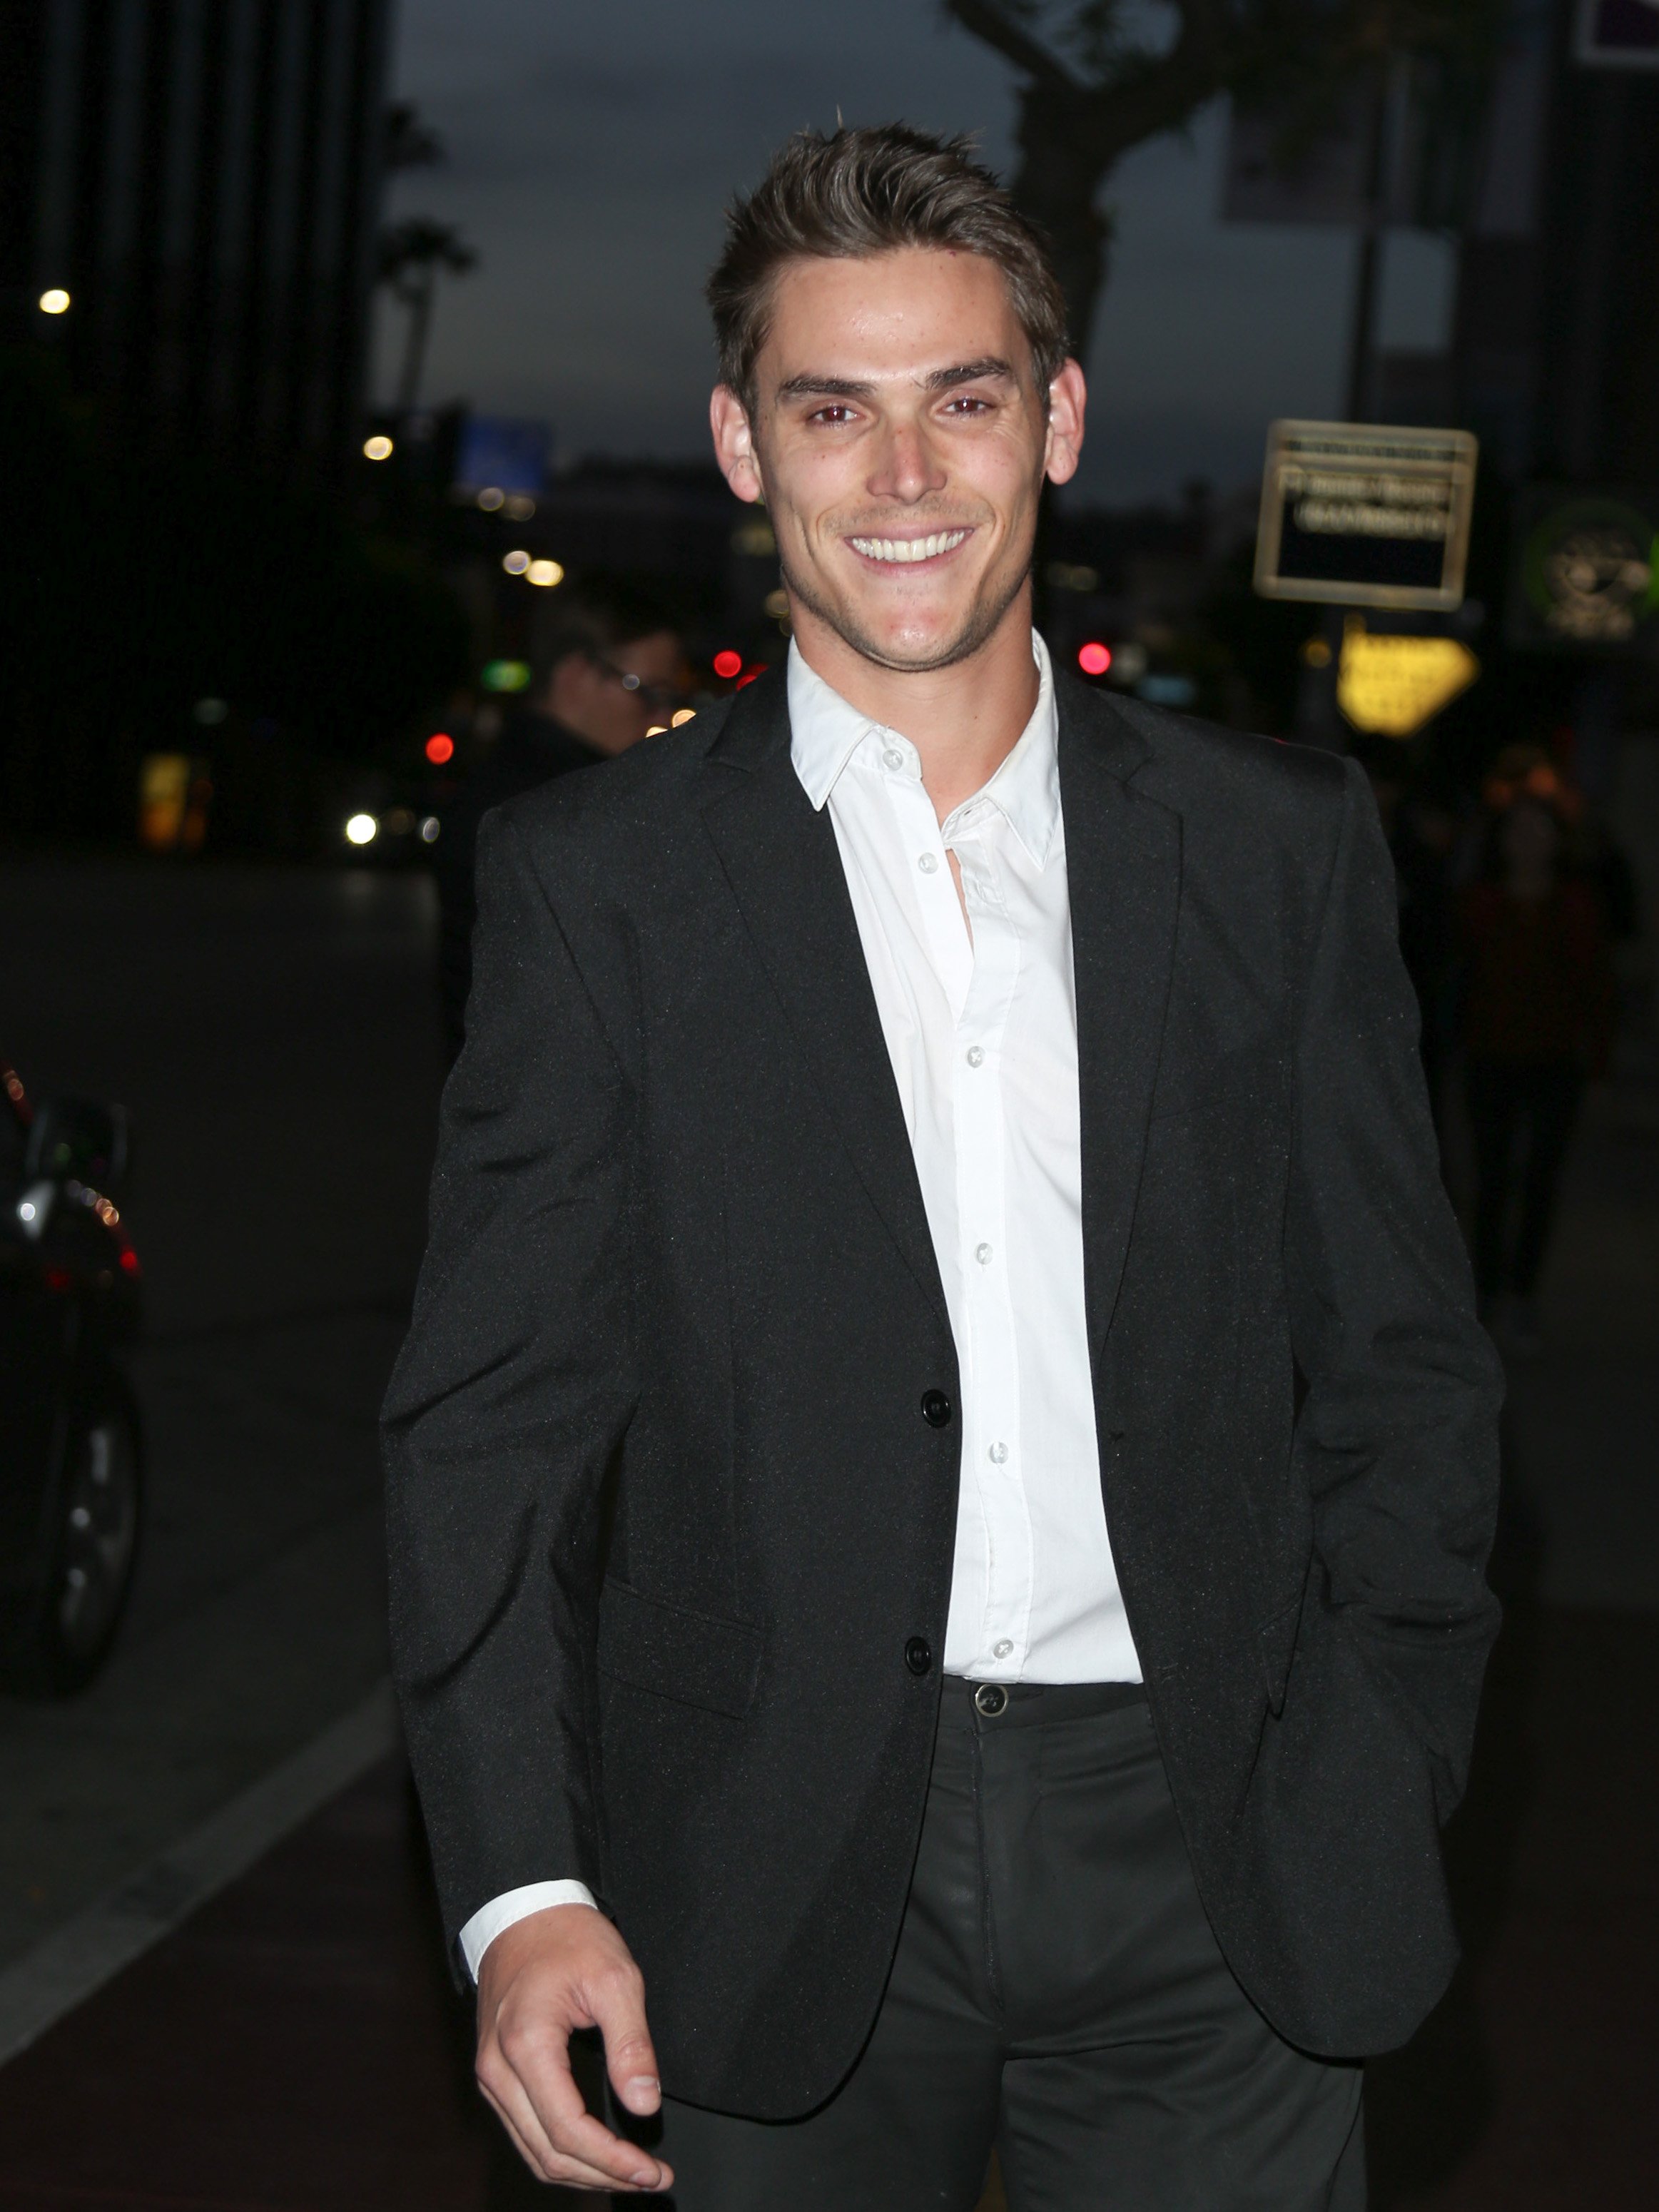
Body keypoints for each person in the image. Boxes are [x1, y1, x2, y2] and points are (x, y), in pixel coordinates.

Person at [383, 126, 1503, 2208]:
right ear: (741, 444)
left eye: (961, 400)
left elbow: (1405, 1358)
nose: (902, 478)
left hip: (1217, 1841)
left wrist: (1373, 1757)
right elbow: (495, 1426)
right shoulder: (591, 885)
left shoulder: (1278, 849)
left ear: (1055, 419)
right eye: (834, 409)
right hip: (765, 1847)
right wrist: (520, 1884)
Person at [431, 579, 686, 1055]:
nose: (658, 715)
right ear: (575, 675)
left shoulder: (508, 784)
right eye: (646, 691)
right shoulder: (559, 808)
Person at [1461, 790, 1614, 1353]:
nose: (1527, 842)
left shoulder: (1574, 903)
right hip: (1491, 1058)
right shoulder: (1481, 902)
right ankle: (1486, 1292)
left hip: (1553, 1063)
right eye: (1517, 831)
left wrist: (1596, 1057)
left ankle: (1521, 1295)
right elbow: (1462, 977)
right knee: (1493, 1180)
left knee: (1539, 1183)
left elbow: (1596, 986)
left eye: (1538, 830)